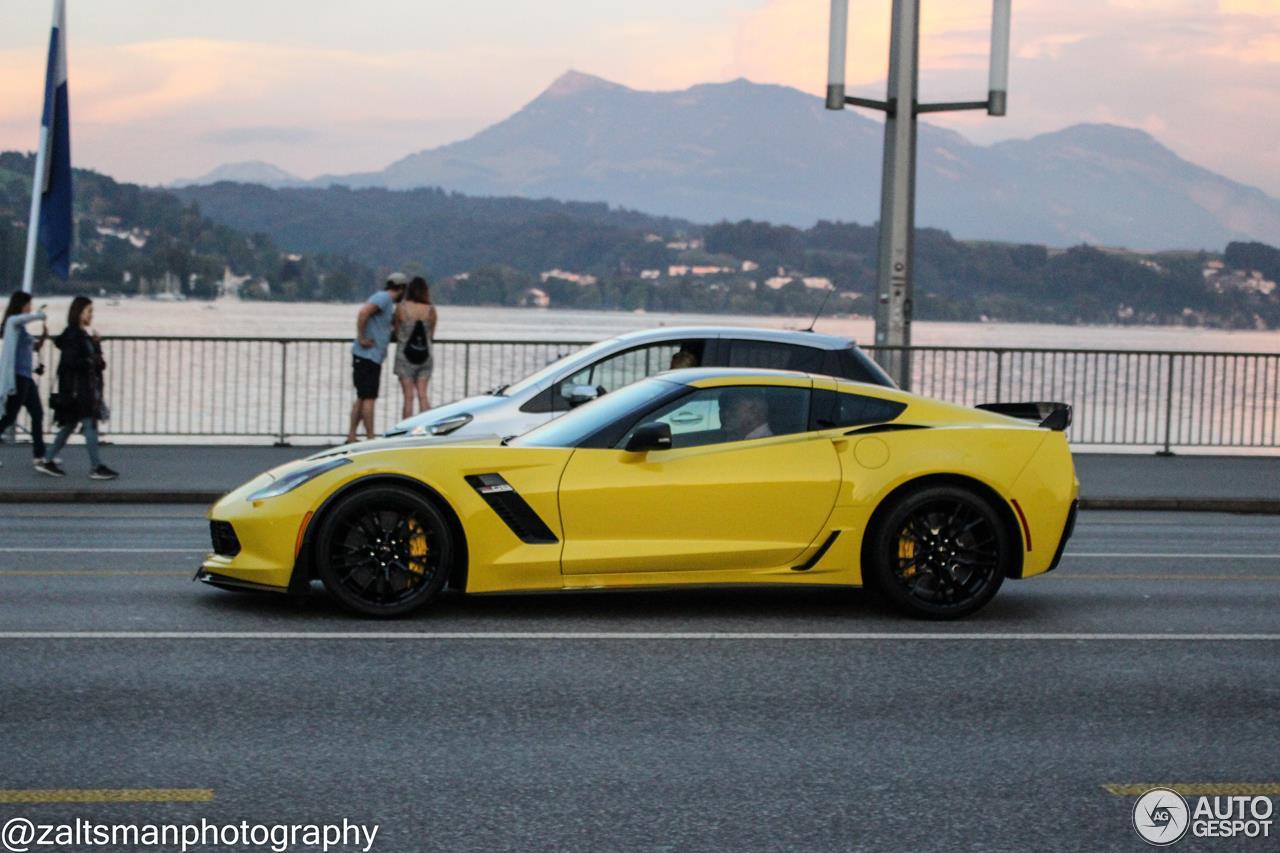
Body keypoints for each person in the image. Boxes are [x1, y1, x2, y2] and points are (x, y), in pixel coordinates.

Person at [42, 296, 117, 479]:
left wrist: (96, 347)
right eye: (89, 311)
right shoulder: (74, 336)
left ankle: (48, 460)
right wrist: (90, 359)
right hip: (79, 390)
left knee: (69, 426)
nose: (92, 315)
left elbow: (98, 364)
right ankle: (96, 466)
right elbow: (72, 362)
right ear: (79, 313)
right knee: (89, 424)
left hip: (82, 389)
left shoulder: (82, 336)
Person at [346, 273, 407, 443]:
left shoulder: (386, 303)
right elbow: (363, 313)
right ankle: (371, 437)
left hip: (368, 356)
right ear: (401, 288)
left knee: (361, 396)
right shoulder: (383, 298)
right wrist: (362, 337)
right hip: (368, 356)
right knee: (369, 398)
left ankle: (352, 435)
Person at [0, 291, 54, 474]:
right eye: (29, 305)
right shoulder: (12, 323)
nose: (30, 308)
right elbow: (18, 320)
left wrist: (44, 337)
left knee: (37, 414)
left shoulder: (21, 330)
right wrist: (38, 315)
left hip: (27, 378)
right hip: (17, 377)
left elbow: (33, 346)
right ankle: (40, 455)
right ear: (21, 305)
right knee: (8, 417)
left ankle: (40, 455)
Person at [392, 275, 437, 420]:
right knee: (423, 395)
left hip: (405, 356)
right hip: (425, 356)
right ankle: (426, 430)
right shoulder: (430, 310)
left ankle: (406, 433)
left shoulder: (401, 308)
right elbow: (431, 334)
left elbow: (398, 333)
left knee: (408, 397)